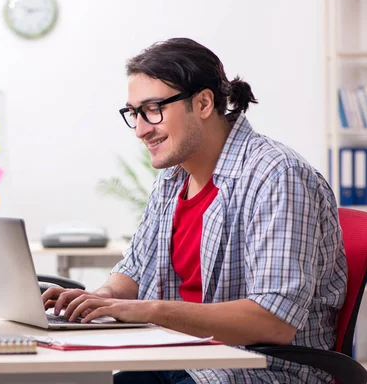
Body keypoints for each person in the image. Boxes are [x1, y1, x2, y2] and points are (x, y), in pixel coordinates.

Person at [42, 38, 348, 384]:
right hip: (185, 357)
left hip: (261, 369)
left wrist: (151, 311)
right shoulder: (173, 180)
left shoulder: (276, 175)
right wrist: (101, 298)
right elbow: (135, 269)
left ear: (203, 103)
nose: (141, 129)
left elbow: (273, 321)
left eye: (153, 109)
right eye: (133, 113)